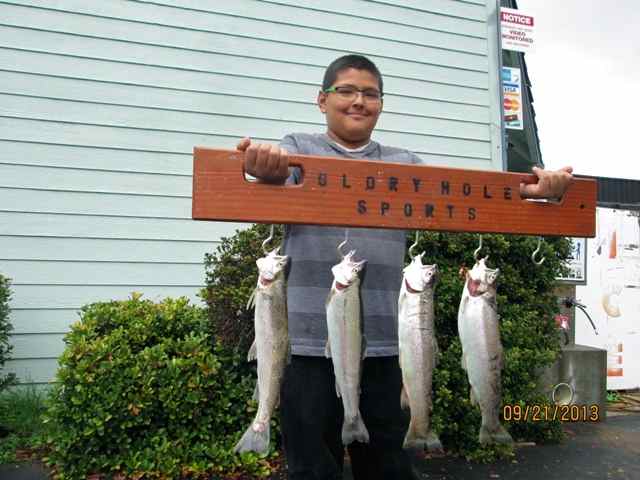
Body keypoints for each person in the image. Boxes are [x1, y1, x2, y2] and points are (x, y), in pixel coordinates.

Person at [237, 54, 573, 480]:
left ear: (381, 104)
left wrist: (540, 194)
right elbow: (254, 178)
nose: (359, 101)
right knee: (310, 467)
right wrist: (257, 167)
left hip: (386, 346)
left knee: (387, 468)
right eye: (346, 91)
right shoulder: (296, 151)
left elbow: (477, 199)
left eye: (370, 94)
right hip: (304, 347)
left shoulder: (405, 166)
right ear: (322, 101)